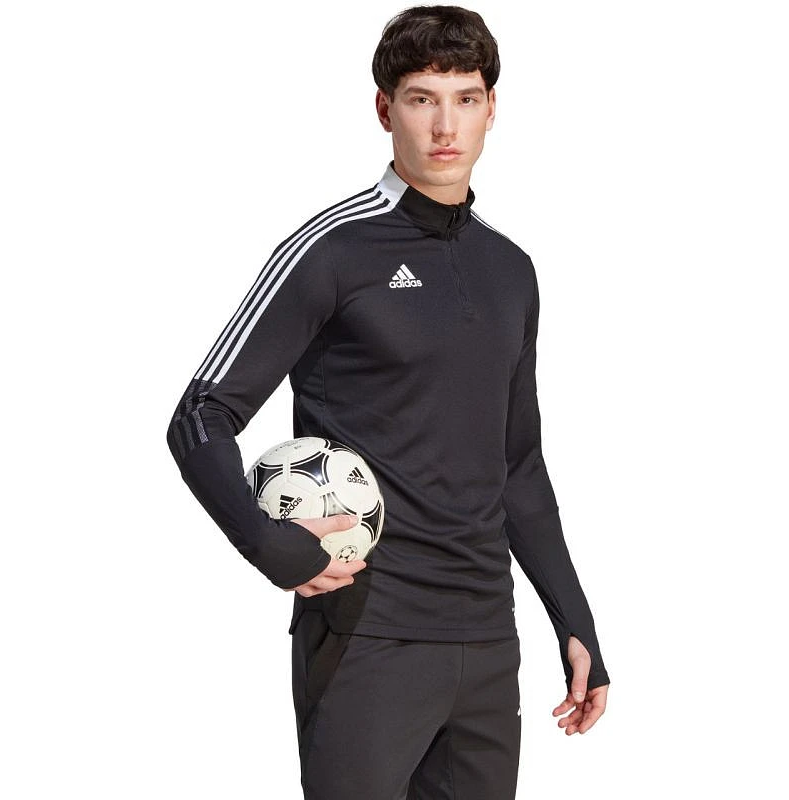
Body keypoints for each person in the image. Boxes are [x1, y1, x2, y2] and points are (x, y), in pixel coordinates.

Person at [166, 5, 610, 798]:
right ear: (384, 109)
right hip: (368, 631)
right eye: (421, 98)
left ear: (492, 108)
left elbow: (518, 466)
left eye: (465, 99)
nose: (445, 125)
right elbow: (201, 414)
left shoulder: (512, 270)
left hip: (486, 639)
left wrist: (573, 621)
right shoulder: (332, 250)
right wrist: (264, 543)